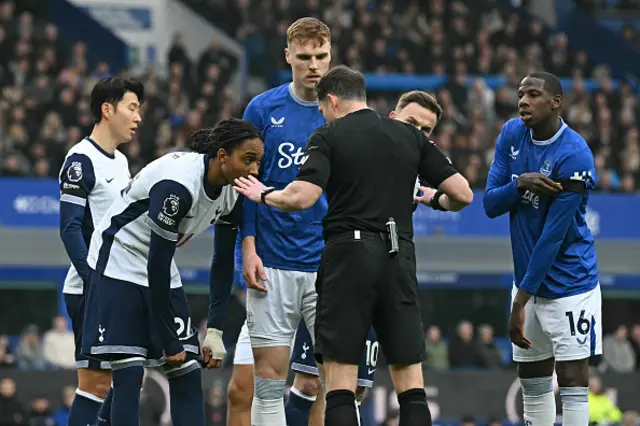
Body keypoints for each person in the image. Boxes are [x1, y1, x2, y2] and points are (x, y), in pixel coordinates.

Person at [233, 65, 473, 426]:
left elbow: (303, 197)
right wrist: (434, 200)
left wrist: (263, 194)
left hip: (349, 257)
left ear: (331, 101)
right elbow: (463, 194)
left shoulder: (328, 135)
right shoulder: (411, 136)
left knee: (340, 384)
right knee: (410, 384)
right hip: (398, 257)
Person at [207, 17, 378, 426]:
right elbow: (247, 185)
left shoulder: (345, 112)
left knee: (335, 380)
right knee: (267, 381)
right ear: (288, 57)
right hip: (273, 261)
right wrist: (246, 247)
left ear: (331, 55)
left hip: (330, 262)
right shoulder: (262, 108)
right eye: (304, 57)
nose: (313, 65)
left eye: (321, 56)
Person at [80, 119, 264, 426]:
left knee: (187, 373)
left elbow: (221, 261)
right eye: (248, 160)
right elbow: (157, 263)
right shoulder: (178, 186)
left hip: (160, 266)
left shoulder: (234, 191)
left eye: (259, 162)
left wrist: (215, 330)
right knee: (130, 372)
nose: (255, 170)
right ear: (221, 156)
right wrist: (168, 339)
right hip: (118, 260)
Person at [483, 71, 601, 426]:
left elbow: (552, 237)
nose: (523, 101)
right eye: (521, 93)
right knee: (532, 378)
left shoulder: (575, 155)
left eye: (533, 94)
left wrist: (520, 301)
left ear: (555, 103)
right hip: (527, 281)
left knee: (570, 379)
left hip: (570, 284)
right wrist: (519, 183)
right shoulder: (511, 133)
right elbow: (490, 203)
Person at [58, 77, 143, 426]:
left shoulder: (121, 162)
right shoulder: (80, 160)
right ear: (107, 110)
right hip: (90, 290)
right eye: (133, 108)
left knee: (128, 380)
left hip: (119, 288)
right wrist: (96, 282)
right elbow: (70, 229)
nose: (139, 118)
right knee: (96, 383)